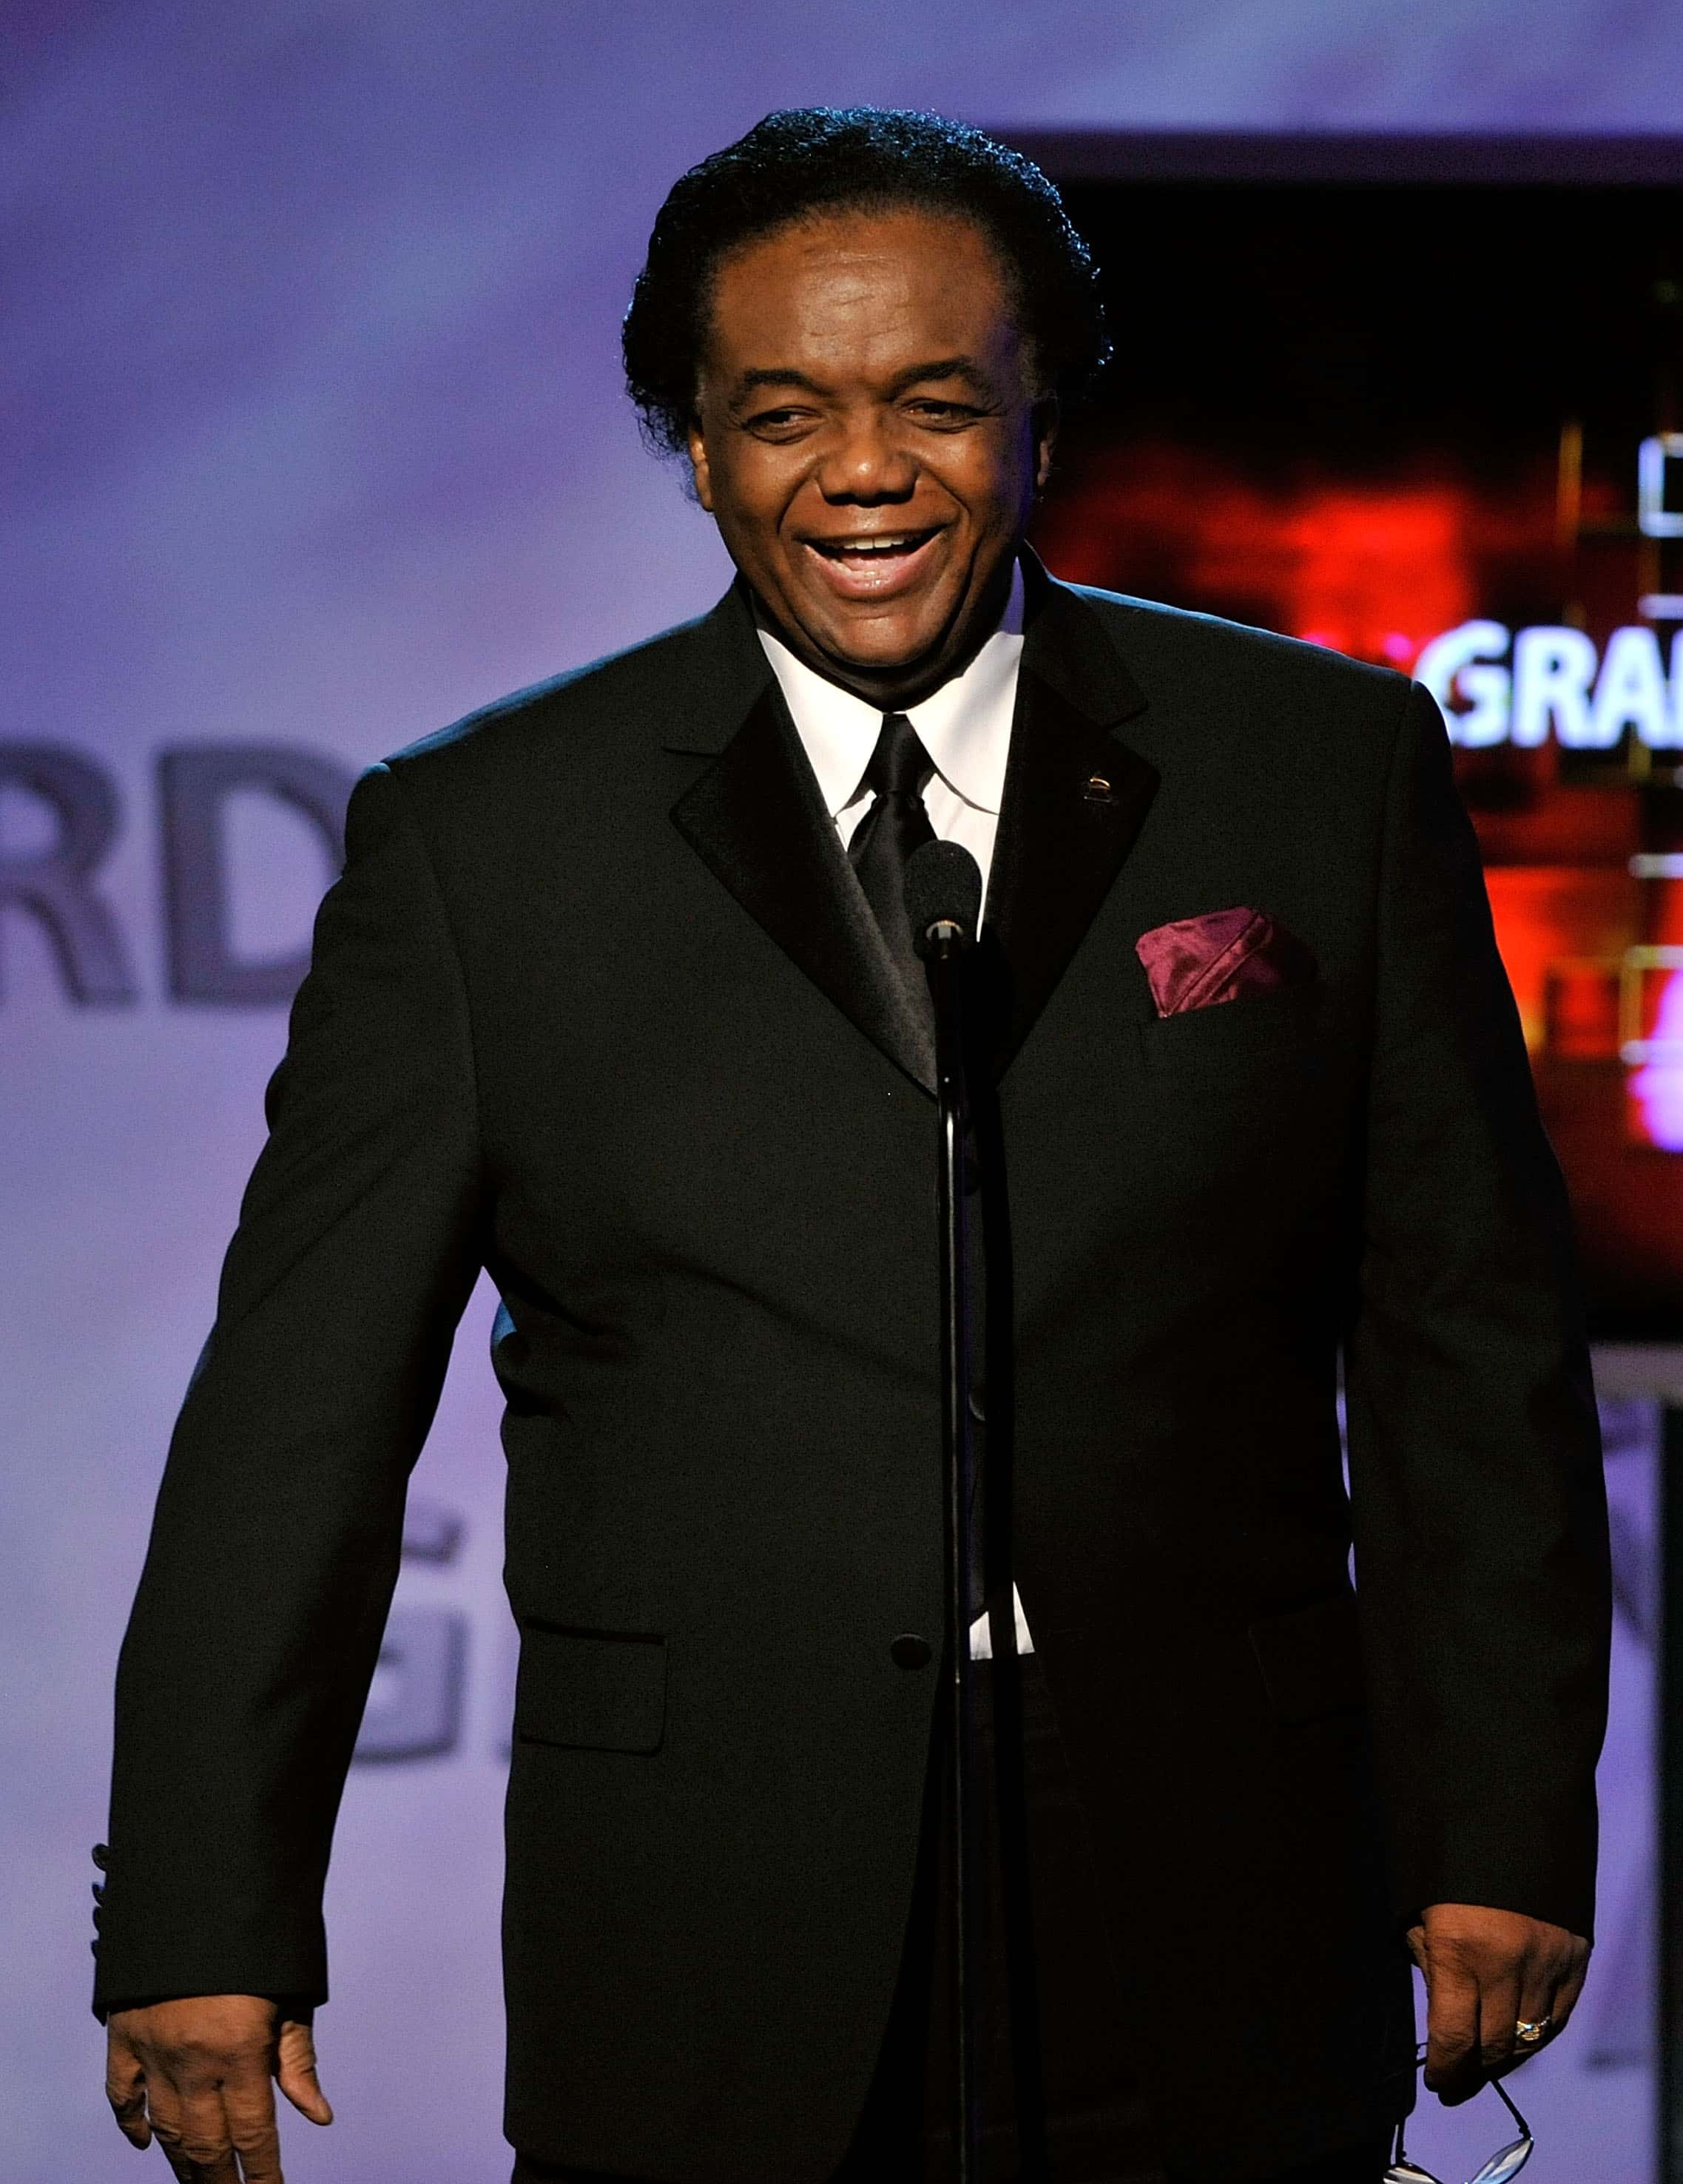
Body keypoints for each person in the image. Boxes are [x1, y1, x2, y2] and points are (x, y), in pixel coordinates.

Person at [94, 108, 1611, 2184]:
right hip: (709, 1882)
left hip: (1210, 1859)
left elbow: (1464, 1335)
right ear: (699, 448)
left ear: (1038, 416)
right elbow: (297, 1413)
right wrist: (201, 1911)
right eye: (780, 413)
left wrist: (1498, 1816)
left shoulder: (1311, 769)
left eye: (930, 403)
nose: (862, 471)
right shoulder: (487, 846)